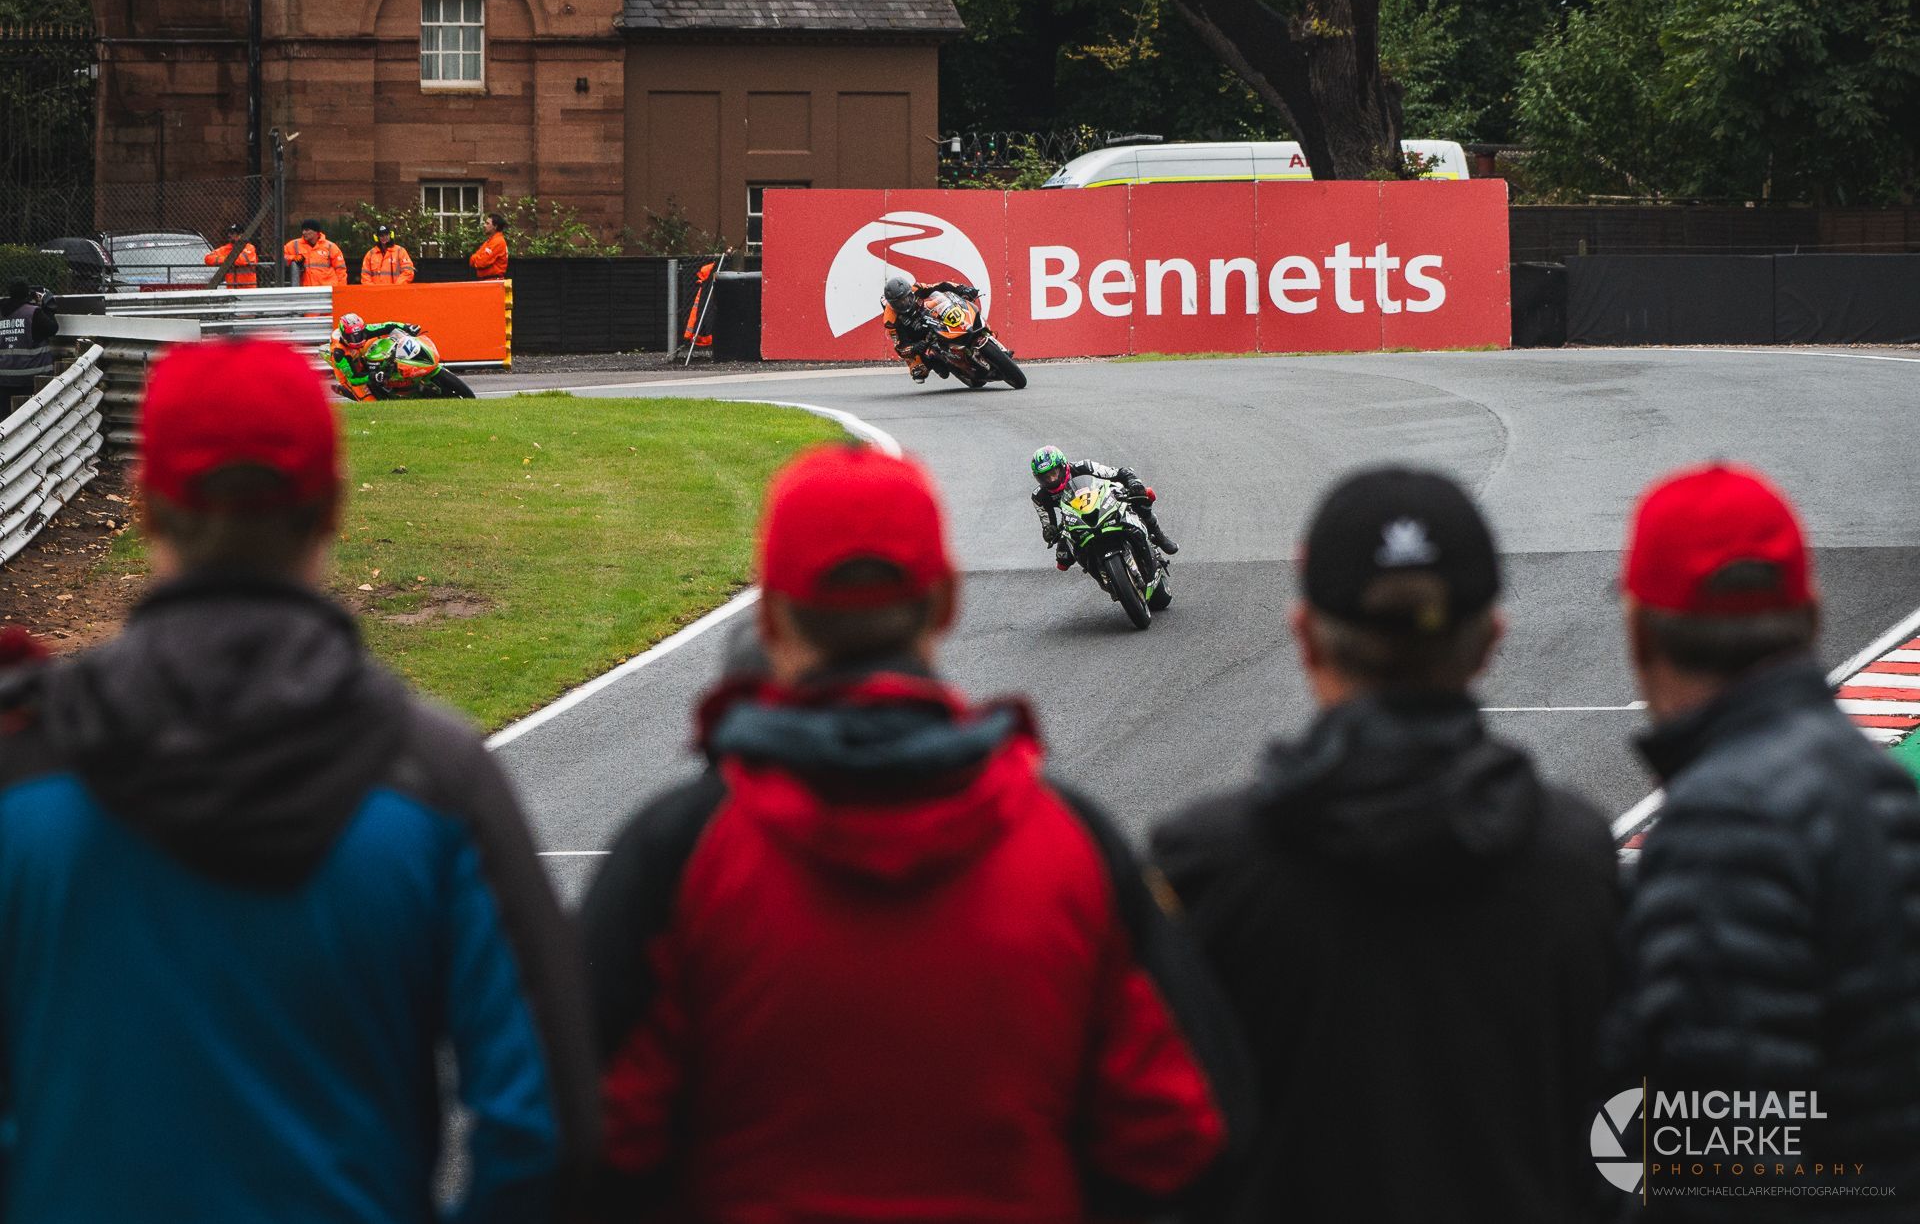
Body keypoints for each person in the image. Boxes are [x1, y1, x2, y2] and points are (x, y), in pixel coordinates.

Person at [0, 336, 596, 1221]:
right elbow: (546, 1125)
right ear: (331, 510)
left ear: (145, 507)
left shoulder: (22, 767)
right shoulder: (435, 778)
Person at [583, 442, 1249, 1223]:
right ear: (943, 603)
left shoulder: (671, 856)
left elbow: (579, 1143)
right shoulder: (1072, 842)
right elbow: (1192, 1135)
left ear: (768, 616)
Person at [1152, 465, 1618, 1224]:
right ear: (1489, 643)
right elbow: (1622, 1137)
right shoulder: (1579, 860)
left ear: (1304, 639)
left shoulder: (1205, 863)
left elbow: (1153, 1142)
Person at [1608, 462, 1920, 1213]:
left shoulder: (1721, 827)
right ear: (1811, 621)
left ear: (1641, 636)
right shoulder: (1886, 792)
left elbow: (1724, 1159)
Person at [1030, 444, 1180, 571]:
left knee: (1143, 496)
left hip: (1103, 501)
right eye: (1045, 477)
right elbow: (1047, 523)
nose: (1051, 480)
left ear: (1063, 466)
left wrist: (1133, 482)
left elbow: (1119, 472)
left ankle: (1157, 535)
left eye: (1054, 473)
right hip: (1075, 518)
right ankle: (1100, 571)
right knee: (1063, 561)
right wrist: (1049, 531)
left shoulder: (1083, 466)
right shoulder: (1039, 496)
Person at [881, 274, 977, 381]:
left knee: (943, 301)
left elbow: (940, 286)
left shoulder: (916, 288)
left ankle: (966, 327)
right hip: (914, 337)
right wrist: (914, 347)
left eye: (905, 299)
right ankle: (934, 357)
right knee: (919, 372)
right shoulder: (890, 320)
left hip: (926, 314)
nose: (903, 303)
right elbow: (900, 346)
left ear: (910, 293)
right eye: (898, 303)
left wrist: (963, 289)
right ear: (891, 304)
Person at [327, 310, 422, 401]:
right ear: (344, 336)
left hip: (360, 355)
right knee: (372, 403)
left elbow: (388, 326)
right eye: (352, 337)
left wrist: (407, 327)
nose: (357, 339)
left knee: (382, 340)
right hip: (351, 376)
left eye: (359, 335)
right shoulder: (339, 353)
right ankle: (347, 391)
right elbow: (353, 378)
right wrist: (373, 376)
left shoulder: (364, 331)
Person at [0, 278, 58, 397]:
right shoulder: (33, 312)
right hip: (32, 377)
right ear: (27, 293)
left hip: (4, 377)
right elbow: (52, 329)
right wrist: (47, 308)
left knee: (6, 414)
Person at [283, 217, 346, 286]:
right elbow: (279, 257)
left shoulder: (330, 247)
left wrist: (341, 290)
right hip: (306, 290)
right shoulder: (294, 244)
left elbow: (341, 270)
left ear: (316, 232)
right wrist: (294, 258)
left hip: (327, 289)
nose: (303, 232)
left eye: (307, 230)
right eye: (303, 230)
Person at [202, 224, 258, 288]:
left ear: (241, 235)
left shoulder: (249, 247)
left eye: (232, 233)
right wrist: (227, 259)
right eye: (229, 233)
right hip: (231, 289)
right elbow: (208, 259)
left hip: (248, 288)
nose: (229, 235)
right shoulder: (226, 248)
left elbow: (242, 260)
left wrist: (225, 259)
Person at [470, 212, 509, 280]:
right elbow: (472, 259)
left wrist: (476, 259)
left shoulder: (498, 241)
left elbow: (482, 262)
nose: (484, 225)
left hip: (494, 282)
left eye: (487, 223)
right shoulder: (491, 241)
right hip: (490, 281)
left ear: (495, 226)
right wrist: (477, 259)